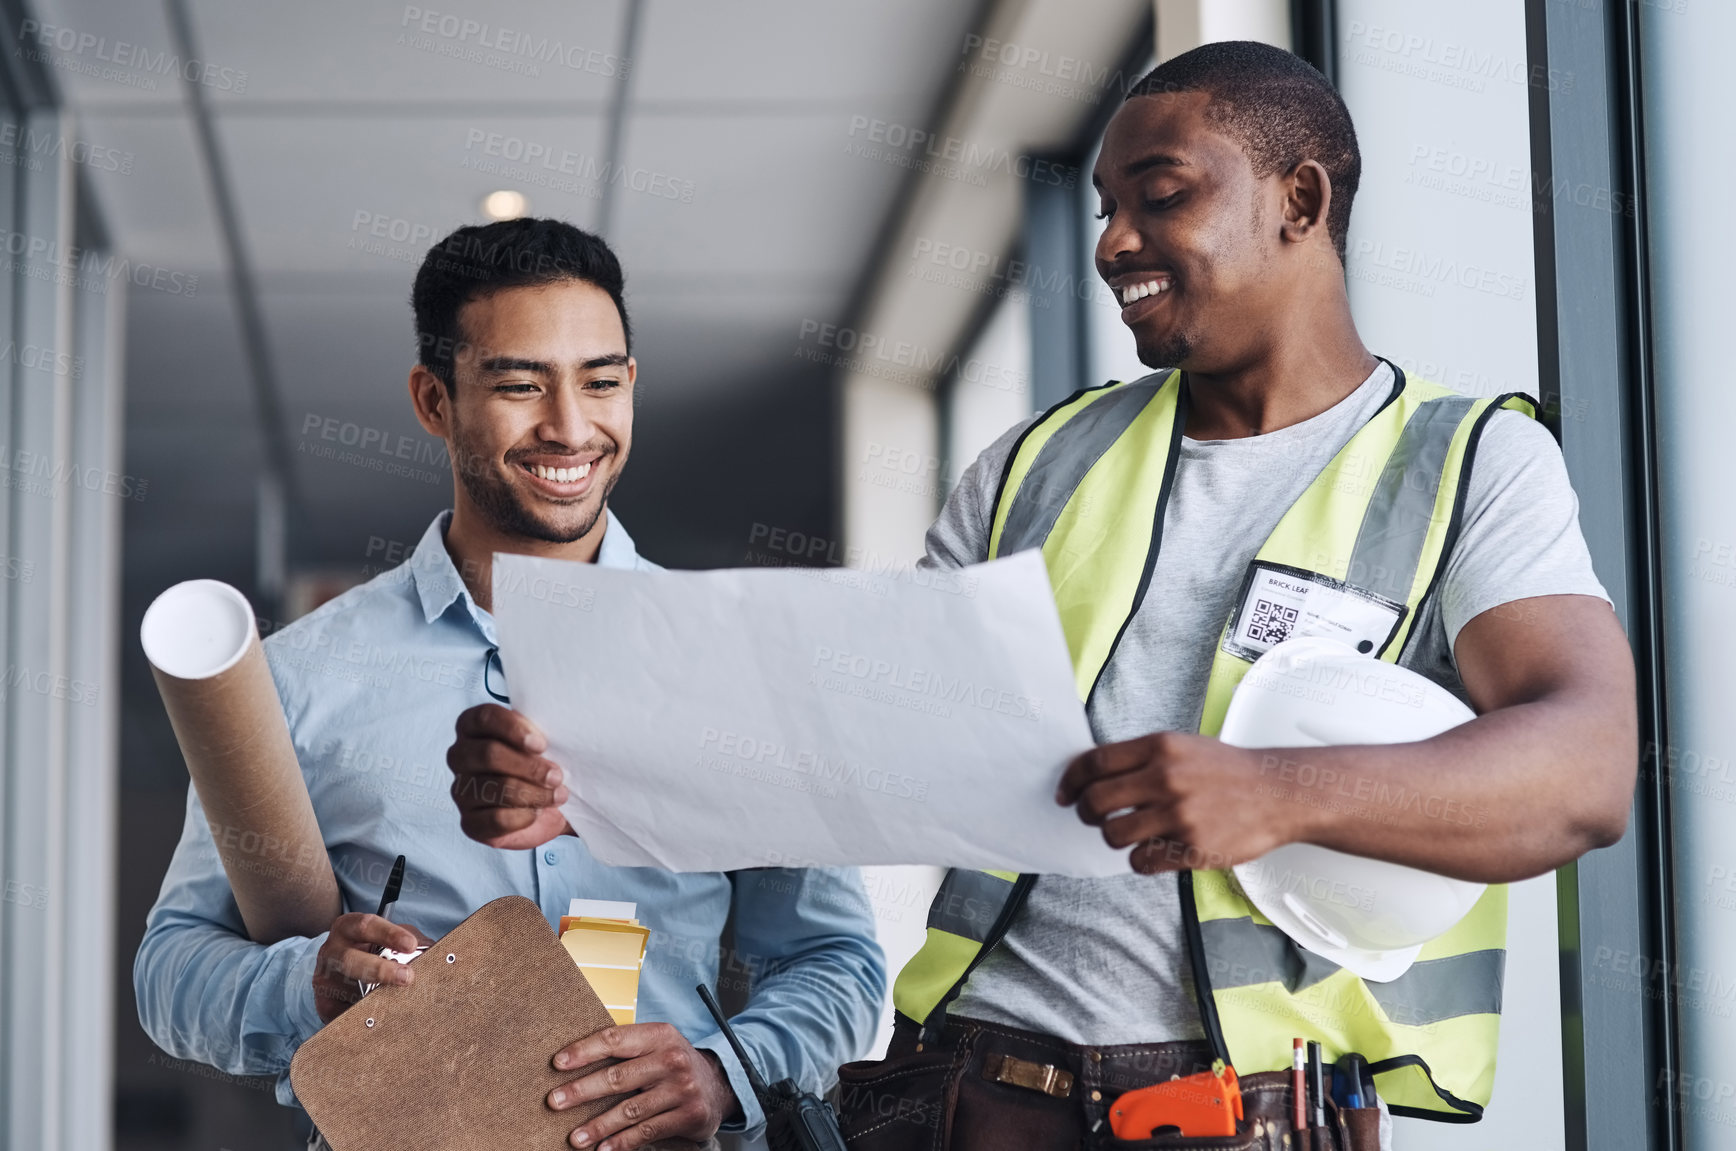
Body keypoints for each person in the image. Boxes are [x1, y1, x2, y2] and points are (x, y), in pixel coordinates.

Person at [833, 41, 1636, 1151]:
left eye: (1159, 198)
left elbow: (1584, 771)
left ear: (1297, 199)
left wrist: (1278, 791)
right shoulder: (1033, 463)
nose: (1113, 242)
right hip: (968, 1091)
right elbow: (873, 732)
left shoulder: (1468, 462)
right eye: (1106, 207)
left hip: (1240, 1117)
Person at [134, 218, 885, 1151]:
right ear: (434, 398)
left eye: (601, 381)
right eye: (522, 384)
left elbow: (836, 961)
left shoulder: (738, 666)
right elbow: (170, 972)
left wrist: (724, 1072)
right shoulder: (301, 677)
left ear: (631, 389)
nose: (570, 426)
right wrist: (306, 983)